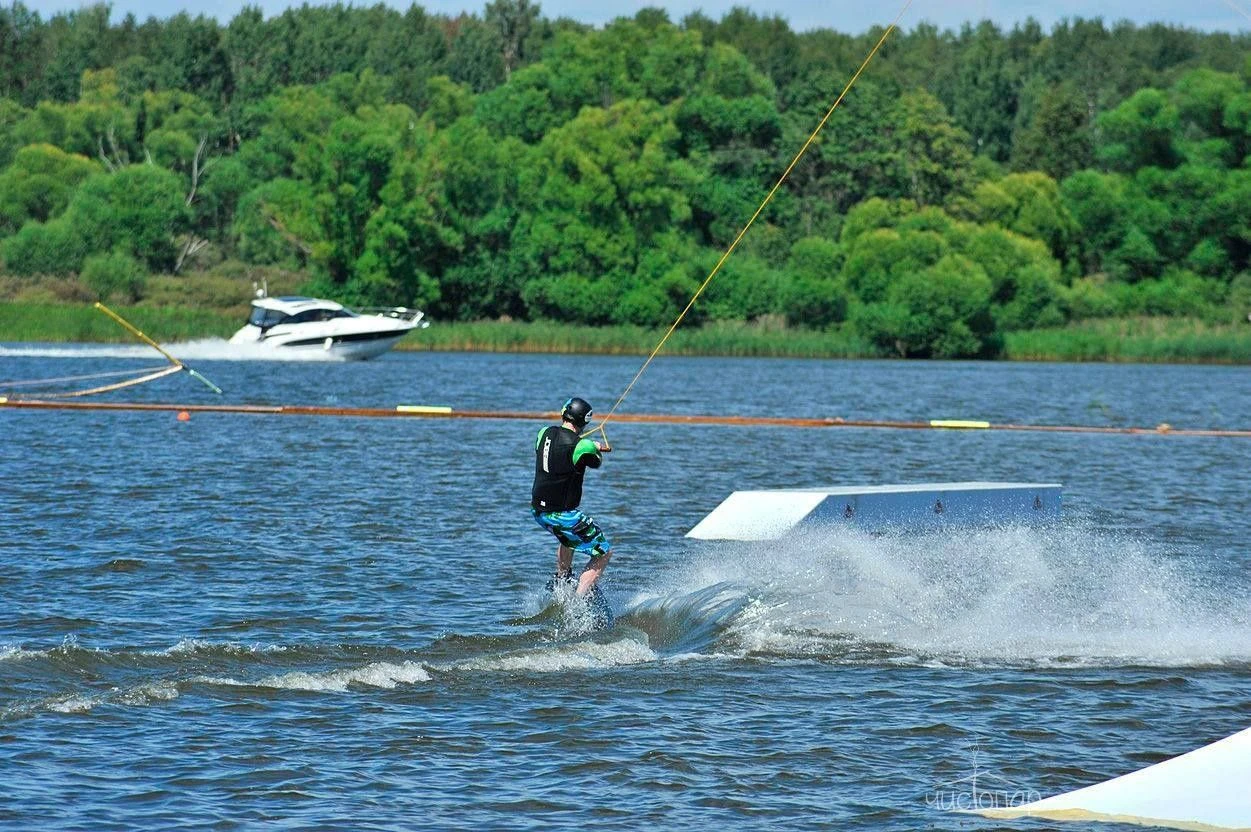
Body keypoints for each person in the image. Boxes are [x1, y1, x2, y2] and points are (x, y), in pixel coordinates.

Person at [531, 396, 612, 597]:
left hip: (539, 511)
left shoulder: (544, 433)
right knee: (603, 552)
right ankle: (578, 601)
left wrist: (586, 446)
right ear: (584, 421)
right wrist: (595, 446)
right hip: (562, 514)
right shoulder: (581, 446)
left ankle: (562, 580)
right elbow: (595, 462)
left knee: (568, 538)